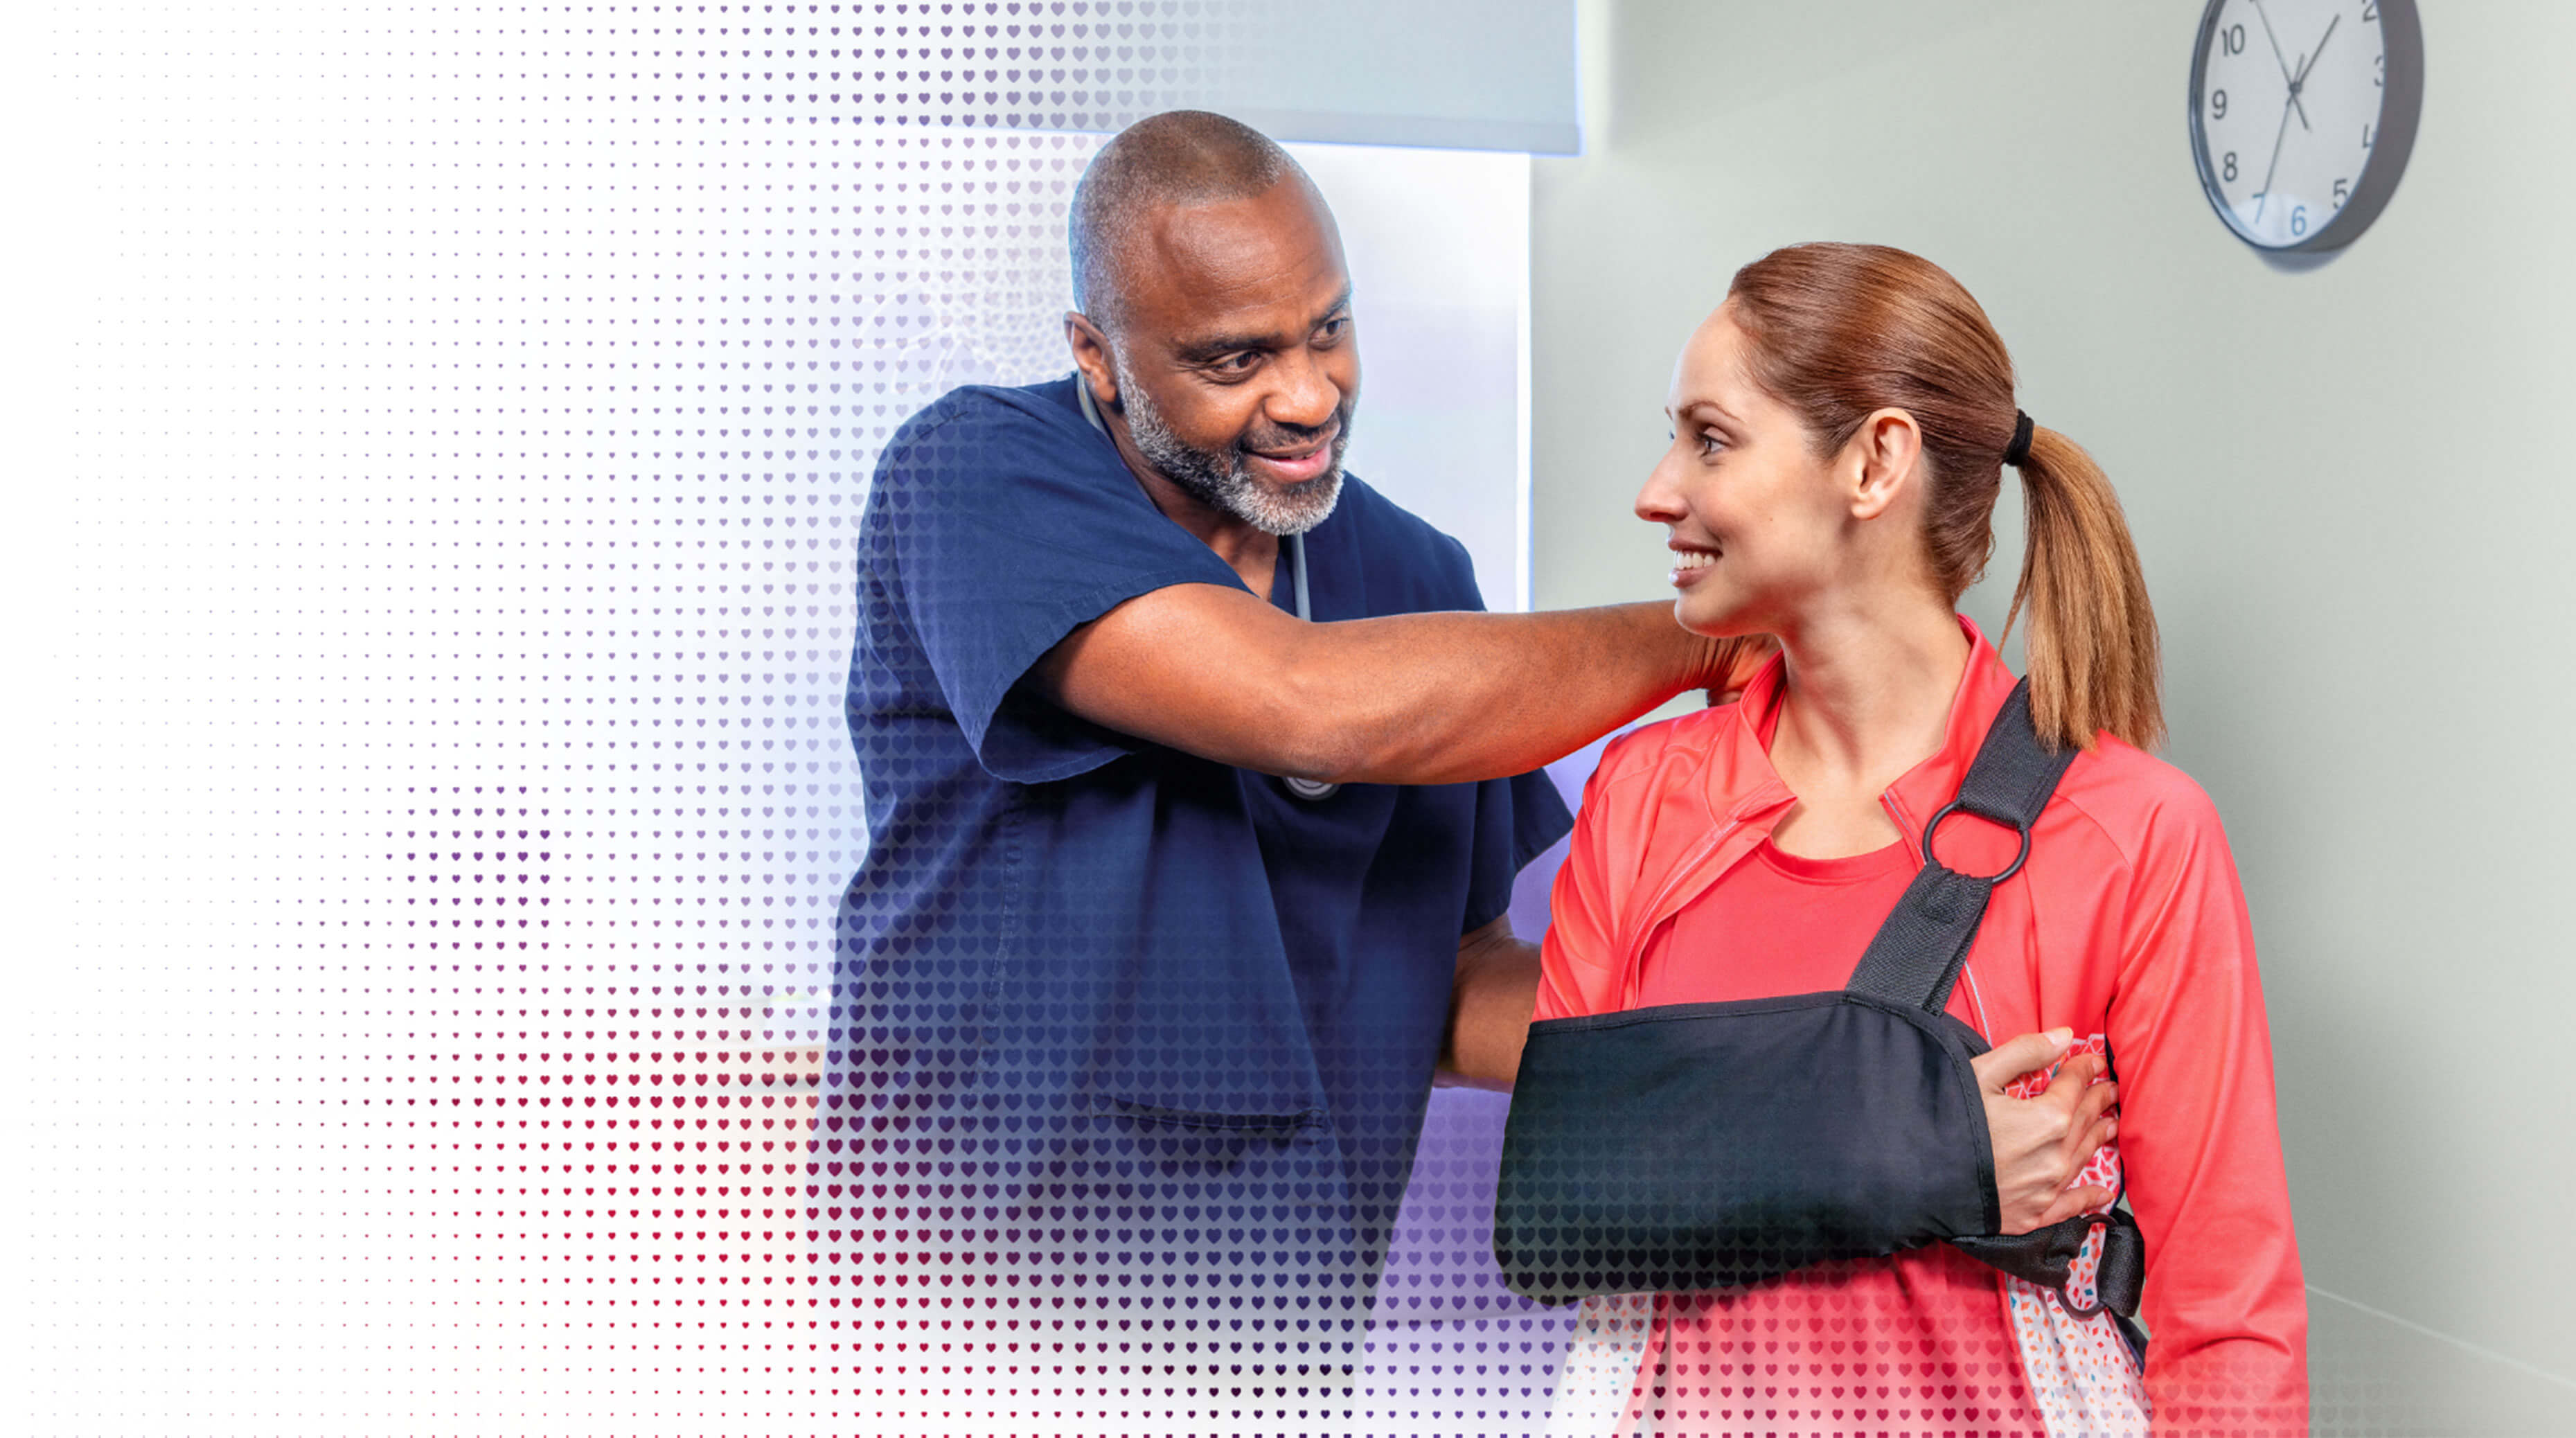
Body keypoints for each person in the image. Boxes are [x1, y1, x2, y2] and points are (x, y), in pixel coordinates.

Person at [825, 112, 2121, 1429]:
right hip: (963, 1305)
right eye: (1236, 358)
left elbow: (1451, 989)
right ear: (1096, 356)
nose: (1309, 394)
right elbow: (1305, 705)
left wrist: (1886, 1061)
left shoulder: (1412, 578)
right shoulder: (978, 476)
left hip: (1266, 1328)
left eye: (1328, 329)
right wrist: (1715, 626)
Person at [1532, 242, 2307, 1436]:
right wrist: (1915, 1144)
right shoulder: (1645, 796)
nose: (1657, 490)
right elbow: (1559, 1198)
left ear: (1876, 460)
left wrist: (1750, 1135)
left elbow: (2228, 1321)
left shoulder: (2133, 832)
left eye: (1712, 440)